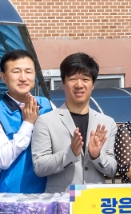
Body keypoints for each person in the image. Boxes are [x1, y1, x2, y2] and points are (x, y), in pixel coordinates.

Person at [32, 53, 117, 192]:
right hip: (62, 203)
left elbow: (112, 170)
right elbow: (39, 167)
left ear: (93, 84)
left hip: (94, 202)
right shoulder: (45, 121)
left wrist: (96, 155)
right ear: (63, 82)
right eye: (72, 79)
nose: (79, 85)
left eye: (85, 79)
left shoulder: (107, 122)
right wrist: (70, 153)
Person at [0, 50, 53, 193]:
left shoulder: (46, 104)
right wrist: (28, 124)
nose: (23, 78)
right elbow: (3, 160)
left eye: (28, 72)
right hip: (15, 196)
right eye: (16, 72)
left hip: (49, 192)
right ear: (3, 77)